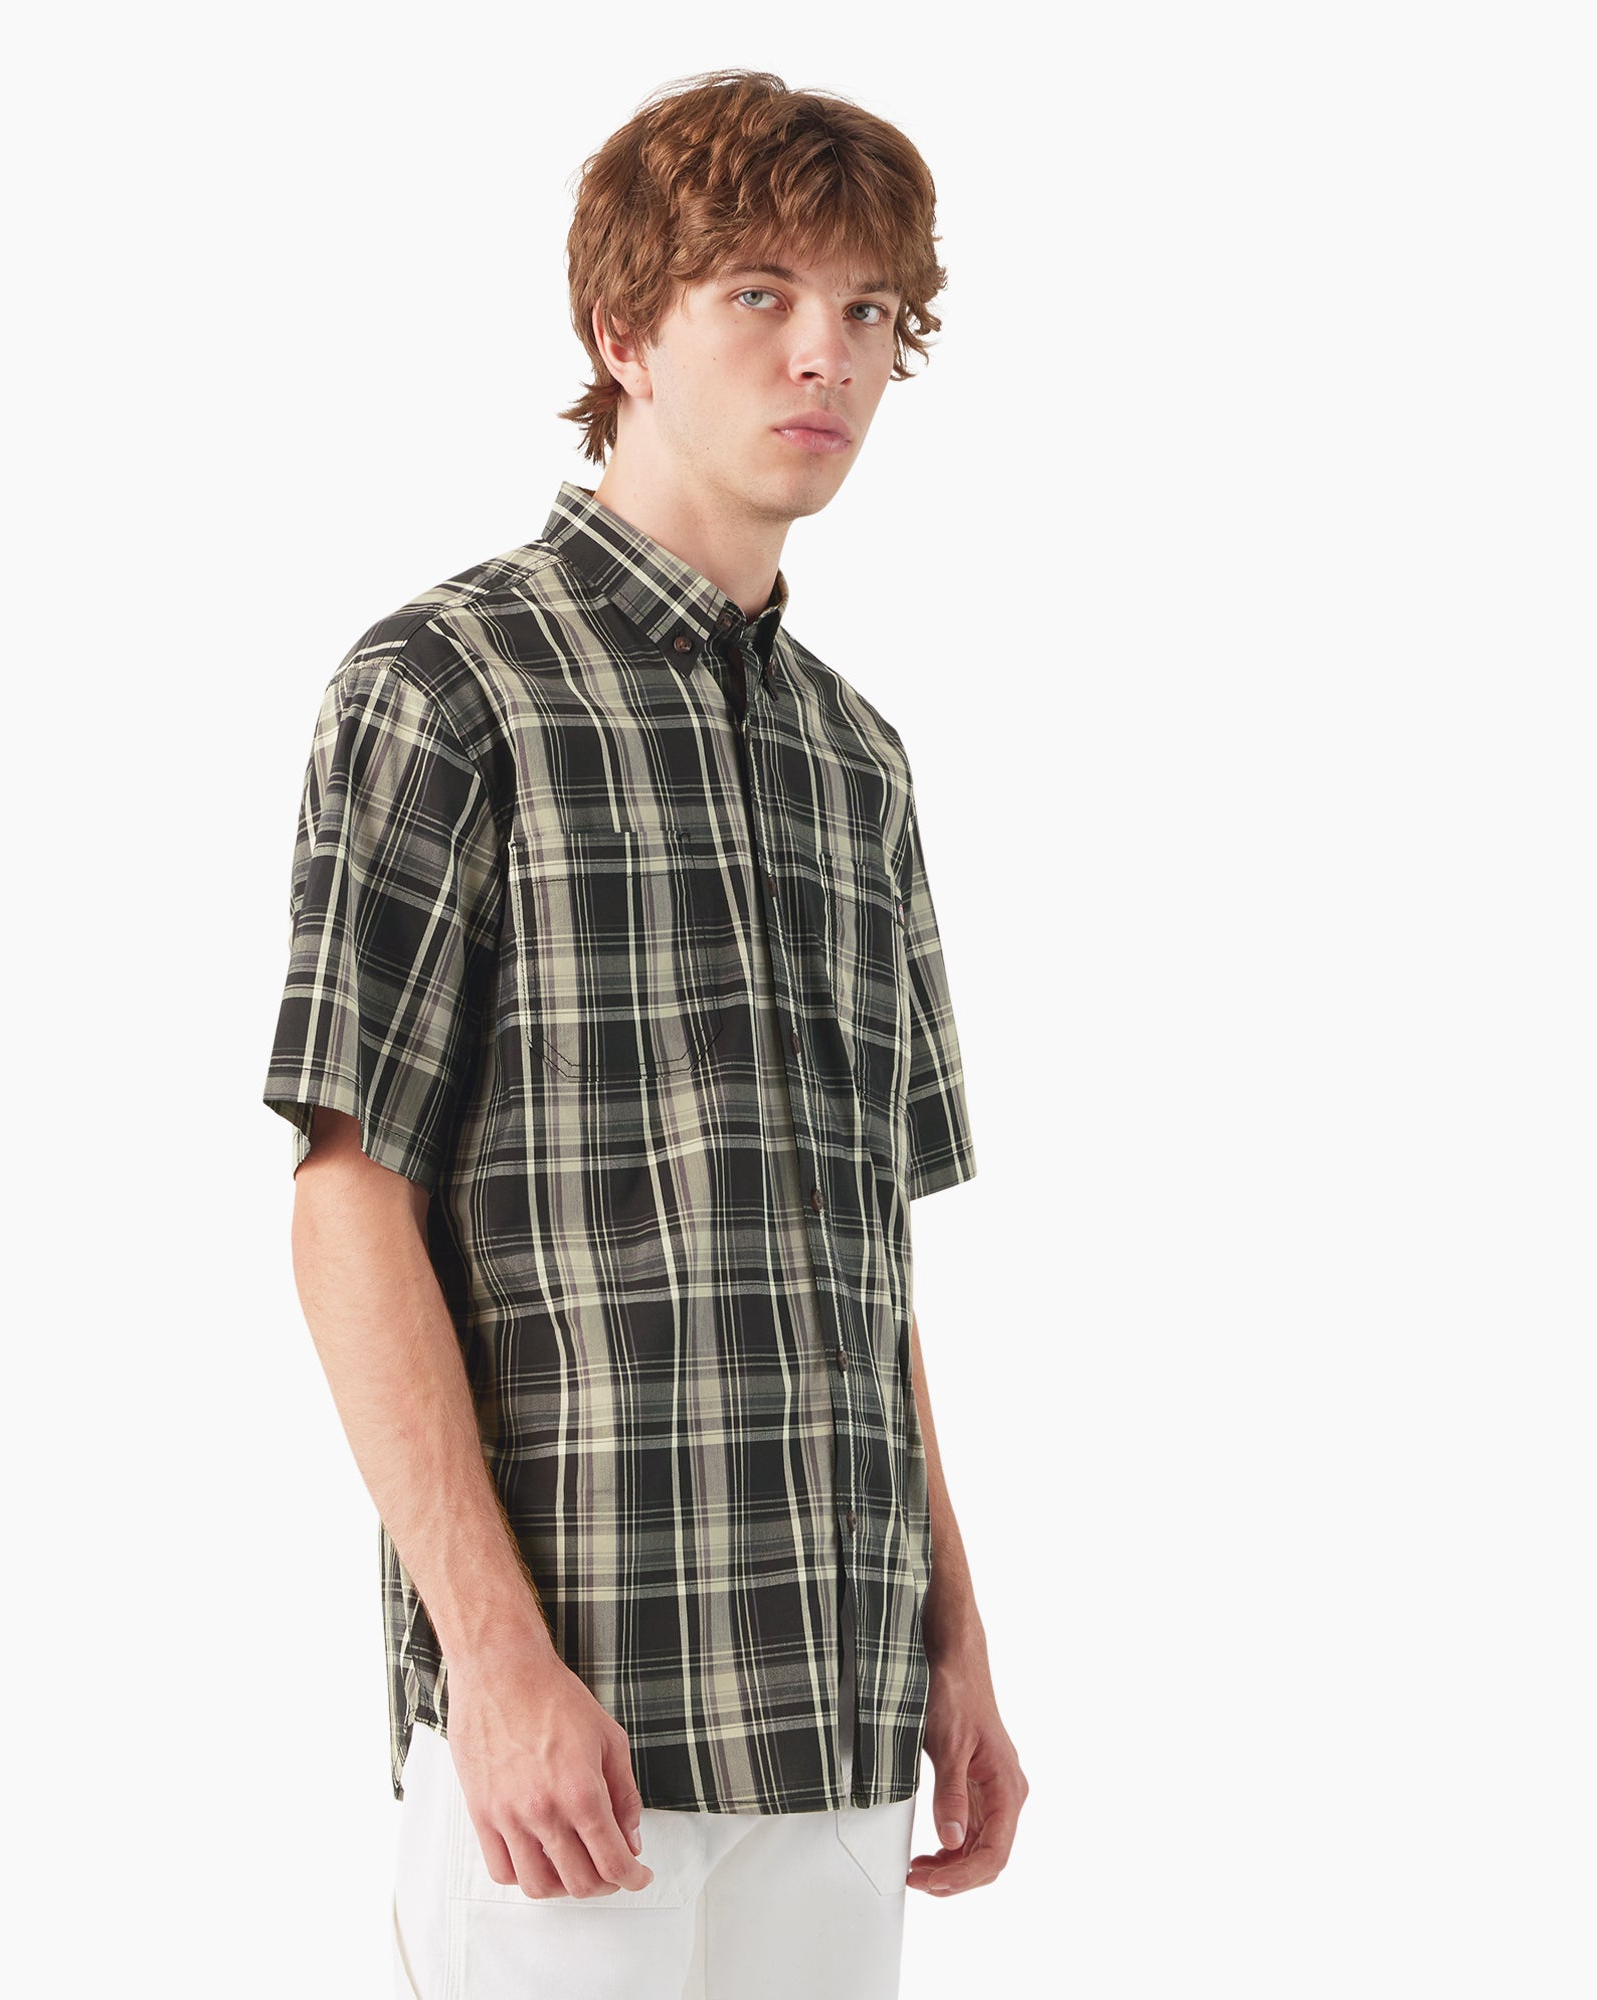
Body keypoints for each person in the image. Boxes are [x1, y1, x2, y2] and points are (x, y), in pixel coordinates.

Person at [261, 66, 1027, 1999]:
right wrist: (495, 1659)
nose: (825, 355)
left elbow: (868, 1253)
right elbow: (349, 1201)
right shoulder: (449, 686)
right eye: (759, 294)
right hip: (574, 1743)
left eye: (868, 310)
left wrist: (953, 1640)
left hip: (839, 1731)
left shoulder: (860, 760)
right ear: (622, 331)